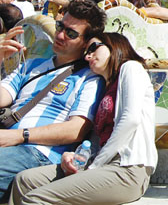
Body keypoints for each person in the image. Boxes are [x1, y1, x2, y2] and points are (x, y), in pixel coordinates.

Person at [10, 32, 157, 205]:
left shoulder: (131, 67)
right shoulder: (106, 86)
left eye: (94, 48)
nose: (88, 56)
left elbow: (130, 120)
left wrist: (96, 165)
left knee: (35, 200)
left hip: (127, 168)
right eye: (86, 52)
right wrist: (78, 156)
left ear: (115, 44)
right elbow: (97, 137)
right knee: (24, 181)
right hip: (102, 165)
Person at [0, 0, 107, 201]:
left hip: (38, 153)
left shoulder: (89, 78)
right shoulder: (31, 66)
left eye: (71, 33)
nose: (59, 35)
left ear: (87, 42)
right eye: (60, 26)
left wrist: (17, 136)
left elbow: (76, 129)